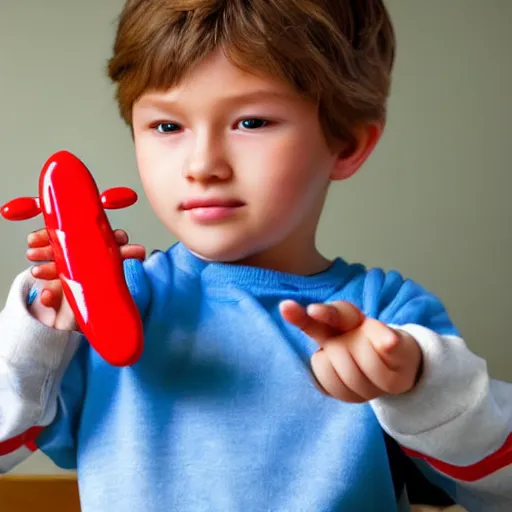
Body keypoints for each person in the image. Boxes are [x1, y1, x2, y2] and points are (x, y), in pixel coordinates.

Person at [0, 1, 510, 510]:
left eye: (251, 122)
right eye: (167, 126)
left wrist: (417, 386)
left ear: (347, 143)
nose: (203, 165)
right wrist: (36, 339)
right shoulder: (114, 305)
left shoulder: (391, 319)